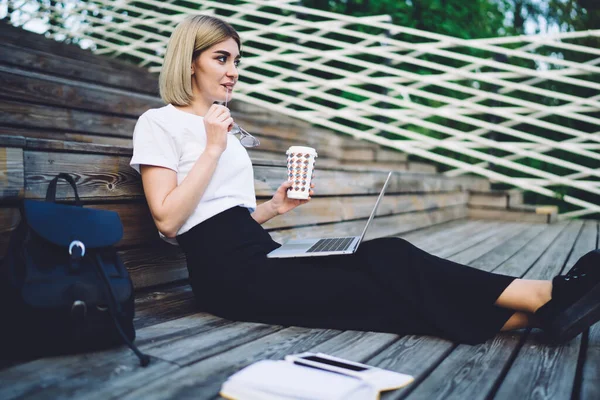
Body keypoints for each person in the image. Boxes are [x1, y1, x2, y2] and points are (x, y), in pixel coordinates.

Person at [130, 14, 600, 345]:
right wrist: (213, 147)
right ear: (190, 61)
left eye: (237, 60)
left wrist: (272, 209)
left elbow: (223, 214)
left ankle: (546, 313)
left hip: (260, 253)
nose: (234, 72)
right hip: (228, 279)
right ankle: (550, 294)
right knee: (387, 269)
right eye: (221, 59)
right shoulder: (160, 122)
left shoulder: (222, 126)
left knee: (384, 270)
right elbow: (169, 221)